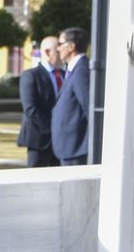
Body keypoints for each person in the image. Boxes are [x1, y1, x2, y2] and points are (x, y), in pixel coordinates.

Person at [18, 35, 62, 168]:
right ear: (48, 52)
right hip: (39, 140)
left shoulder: (65, 75)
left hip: (61, 142)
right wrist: (53, 129)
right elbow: (31, 109)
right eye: (58, 51)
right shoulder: (31, 76)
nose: (62, 54)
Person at [52, 25, 91, 165]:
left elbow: (88, 107)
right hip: (68, 146)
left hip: (76, 146)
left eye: (60, 44)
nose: (57, 48)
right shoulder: (74, 69)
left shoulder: (81, 71)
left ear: (71, 47)